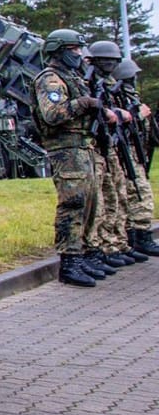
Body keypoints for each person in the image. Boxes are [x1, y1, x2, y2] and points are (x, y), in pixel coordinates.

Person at [33, 30, 112, 287]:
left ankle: (83, 253)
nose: (78, 54)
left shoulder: (72, 77)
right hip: (65, 149)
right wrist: (83, 103)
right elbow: (52, 114)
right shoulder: (50, 79)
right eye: (73, 49)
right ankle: (69, 260)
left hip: (82, 147)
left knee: (90, 203)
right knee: (73, 203)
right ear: (59, 50)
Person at [84, 40, 145, 267]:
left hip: (109, 147)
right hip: (96, 148)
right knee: (103, 200)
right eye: (105, 60)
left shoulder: (107, 85)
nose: (110, 64)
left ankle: (115, 244)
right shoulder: (89, 82)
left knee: (116, 197)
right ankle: (105, 246)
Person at [113, 57, 157, 257]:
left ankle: (140, 235)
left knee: (140, 193)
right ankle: (138, 236)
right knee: (136, 194)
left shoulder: (130, 97)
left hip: (136, 154)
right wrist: (138, 115)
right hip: (126, 154)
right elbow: (119, 125)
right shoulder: (116, 98)